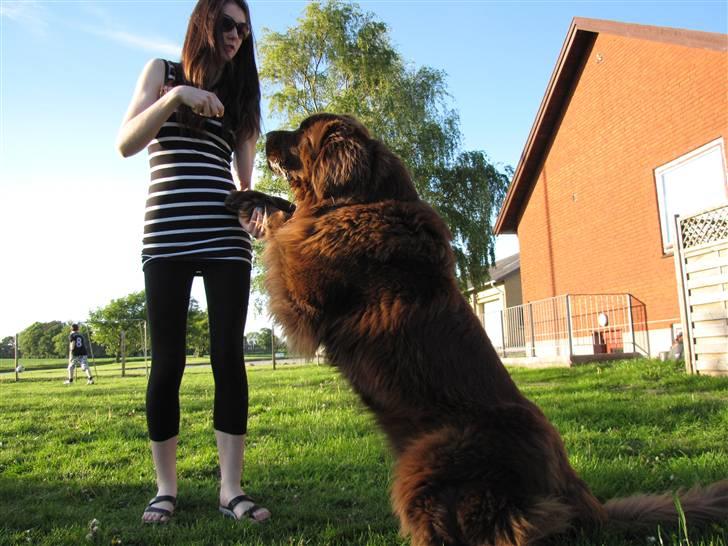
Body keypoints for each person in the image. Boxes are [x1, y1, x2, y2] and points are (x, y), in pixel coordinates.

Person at [116, 0, 270, 524]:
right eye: (228, 24)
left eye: (244, 30)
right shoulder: (163, 73)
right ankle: (165, 489)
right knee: (168, 360)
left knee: (228, 355)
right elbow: (125, 142)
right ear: (205, 22)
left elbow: (245, 181)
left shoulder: (243, 94)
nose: (236, 36)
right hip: (167, 231)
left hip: (225, 235)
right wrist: (179, 96)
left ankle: (231, 490)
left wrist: (253, 209)